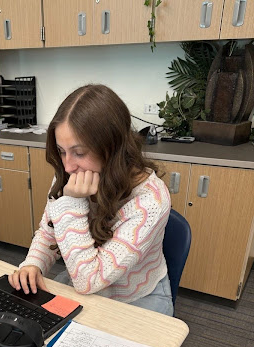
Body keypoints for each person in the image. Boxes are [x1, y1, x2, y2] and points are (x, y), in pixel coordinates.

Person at [9, 84, 173, 316]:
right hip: (83, 278)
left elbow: (89, 280)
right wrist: (33, 263)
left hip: (135, 297)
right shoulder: (72, 173)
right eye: (61, 150)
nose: (67, 166)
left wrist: (73, 203)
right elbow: (49, 231)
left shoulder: (150, 200)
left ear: (111, 147)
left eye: (79, 152)